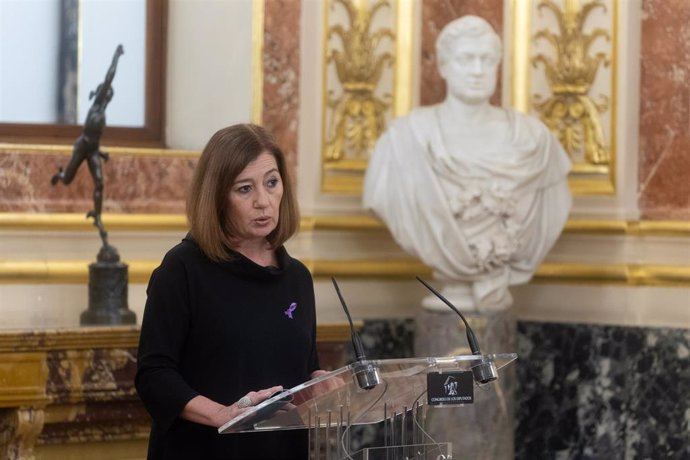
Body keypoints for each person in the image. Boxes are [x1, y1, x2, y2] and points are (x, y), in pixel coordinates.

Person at [136, 124, 332, 459]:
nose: (263, 201)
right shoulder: (183, 269)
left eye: (272, 182)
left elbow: (299, 367)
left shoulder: (297, 277)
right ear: (217, 197)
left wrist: (320, 382)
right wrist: (223, 415)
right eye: (244, 189)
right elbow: (154, 376)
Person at [363, 15, 572, 312]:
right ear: (443, 66)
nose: (477, 70)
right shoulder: (405, 140)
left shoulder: (535, 141)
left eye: (487, 60)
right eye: (466, 59)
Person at [51, 44, 124, 250]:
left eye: (110, 94)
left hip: (92, 150)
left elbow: (96, 139)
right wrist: (116, 56)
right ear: (102, 93)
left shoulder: (103, 113)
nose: (108, 94)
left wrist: (101, 153)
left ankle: (97, 215)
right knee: (67, 180)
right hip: (82, 146)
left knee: (100, 183)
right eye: (106, 91)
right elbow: (109, 76)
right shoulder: (96, 105)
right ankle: (59, 174)